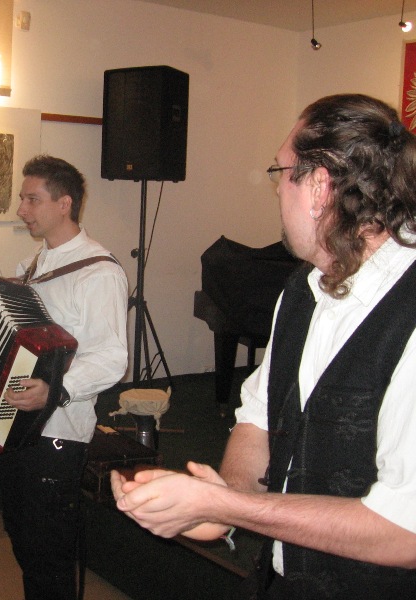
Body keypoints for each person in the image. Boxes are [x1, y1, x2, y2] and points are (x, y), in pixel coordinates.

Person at [111, 94, 416, 599]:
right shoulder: (303, 288)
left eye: (281, 172)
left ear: (319, 187)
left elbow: (405, 530)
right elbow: (260, 418)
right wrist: (224, 500)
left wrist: (228, 507)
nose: (276, 189)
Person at [1, 155, 129, 600]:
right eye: (22, 199)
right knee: (23, 539)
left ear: (64, 204)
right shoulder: (32, 265)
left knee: (50, 555)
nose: (22, 209)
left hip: (60, 433)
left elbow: (112, 358)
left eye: (32, 199)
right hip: (18, 426)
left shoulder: (99, 272)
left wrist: (56, 390)